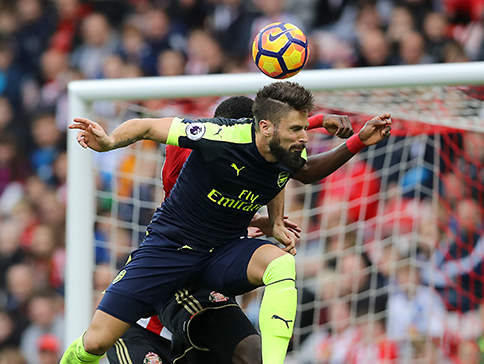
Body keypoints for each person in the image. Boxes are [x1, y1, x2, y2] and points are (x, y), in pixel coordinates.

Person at [64, 81, 391, 364]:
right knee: (96, 341)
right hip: (171, 250)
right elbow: (147, 126)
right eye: (297, 129)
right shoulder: (215, 137)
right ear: (262, 127)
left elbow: (295, 173)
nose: (304, 137)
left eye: (304, 128)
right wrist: (108, 144)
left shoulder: (282, 151)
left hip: (222, 251)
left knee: (280, 264)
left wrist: (275, 221)